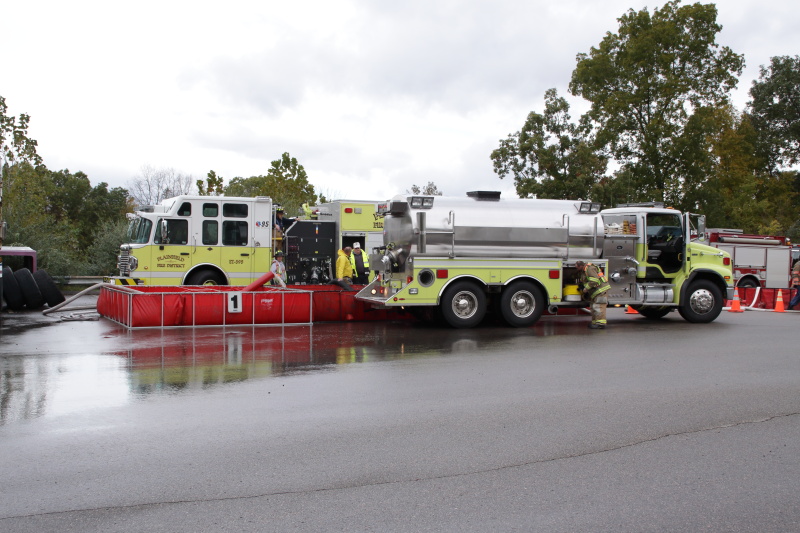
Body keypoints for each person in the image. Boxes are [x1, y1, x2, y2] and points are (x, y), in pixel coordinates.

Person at [576, 260, 611, 329]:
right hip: (597, 291)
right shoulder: (585, 270)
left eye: (577, 267)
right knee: (593, 307)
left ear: (581, 266)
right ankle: (595, 322)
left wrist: (586, 288)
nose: (576, 269)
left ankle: (600, 324)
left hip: (601, 290)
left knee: (599, 306)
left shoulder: (589, 269)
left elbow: (595, 280)